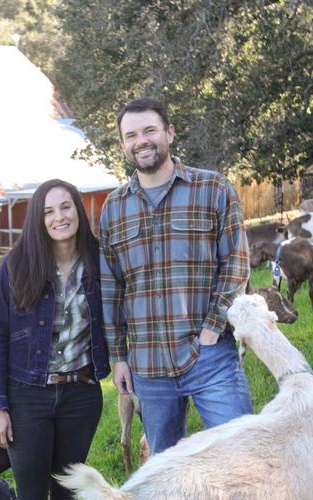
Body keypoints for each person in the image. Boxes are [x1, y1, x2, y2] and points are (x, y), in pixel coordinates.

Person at [0, 178, 110, 500]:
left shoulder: (99, 262)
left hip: (81, 393)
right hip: (27, 396)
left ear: (79, 210)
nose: (59, 217)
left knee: (66, 487)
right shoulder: (17, 266)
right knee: (32, 495)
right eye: (49, 211)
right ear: (38, 220)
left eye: (66, 207)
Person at [99, 97, 253, 454]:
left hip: (210, 357)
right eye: (131, 135)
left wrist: (212, 329)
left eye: (149, 130)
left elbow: (236, 263)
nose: (141, 141)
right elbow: (111, 287)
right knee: (164, 468)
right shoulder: (114, 208)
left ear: (169, 132)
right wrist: (118, 356)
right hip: (148, 366)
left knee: (242, 454)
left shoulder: (213, 189)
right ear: (123, 144)